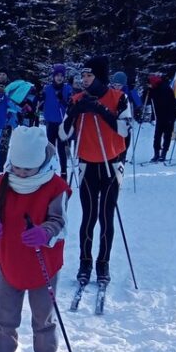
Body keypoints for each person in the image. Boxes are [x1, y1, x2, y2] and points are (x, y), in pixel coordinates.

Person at [0, 125, 71, 352]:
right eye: (16, 168)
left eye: (27, 170)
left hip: (43, 263)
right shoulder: (3, 182)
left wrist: (46, 231)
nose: (21, 174)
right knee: (5, 317)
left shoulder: (56, 186)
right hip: (10, 260)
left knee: (43, 319)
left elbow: (60, 221)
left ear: (42, 162)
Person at [58, 55, 132, 287]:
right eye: (83, 75)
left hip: (111, 165)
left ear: (100, 77)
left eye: (89, 75)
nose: (84, 79)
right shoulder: (77, 99)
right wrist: (73, 113)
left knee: (106, 216)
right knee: (88, 217)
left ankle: (103, 263)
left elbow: (123, 130)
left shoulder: (119, 98)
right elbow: (62, 135)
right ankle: (85, 262)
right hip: (86, 165)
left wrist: (101, 109)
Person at [42, 64, 72, 175]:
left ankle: (64, 171)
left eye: (61, 76)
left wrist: (62, 99)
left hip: (62, 123)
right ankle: (50, 170)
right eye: (57, 75)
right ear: (53, 76)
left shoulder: (67, 88)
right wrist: (40, 98)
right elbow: (41, 103)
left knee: (62, 148)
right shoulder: (48, 88)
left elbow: (70, 105)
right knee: (50, 148)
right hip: (50, 122)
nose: (59, 78)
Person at [145, 71, 176, 162]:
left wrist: (174, 115)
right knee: (158, 135)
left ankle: (162, 154)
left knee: (166, 135)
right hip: (160, 116)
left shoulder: (165, 88)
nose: (150, 86)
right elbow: (147, 100)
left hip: (169, 115)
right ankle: (157, 154)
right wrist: (148, 91)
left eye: (150, 84)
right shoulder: (154, 89)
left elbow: (171, 103)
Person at [111, 71, 142, 152]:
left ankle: (123, 154)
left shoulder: (128, 91)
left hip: (125, 120)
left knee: (125, 137)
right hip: (113, 119)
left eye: (119, 85)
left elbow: (138, 103)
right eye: (114, 85)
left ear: (124, 84)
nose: (116, 87)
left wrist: (133, 92)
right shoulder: (110, 91)